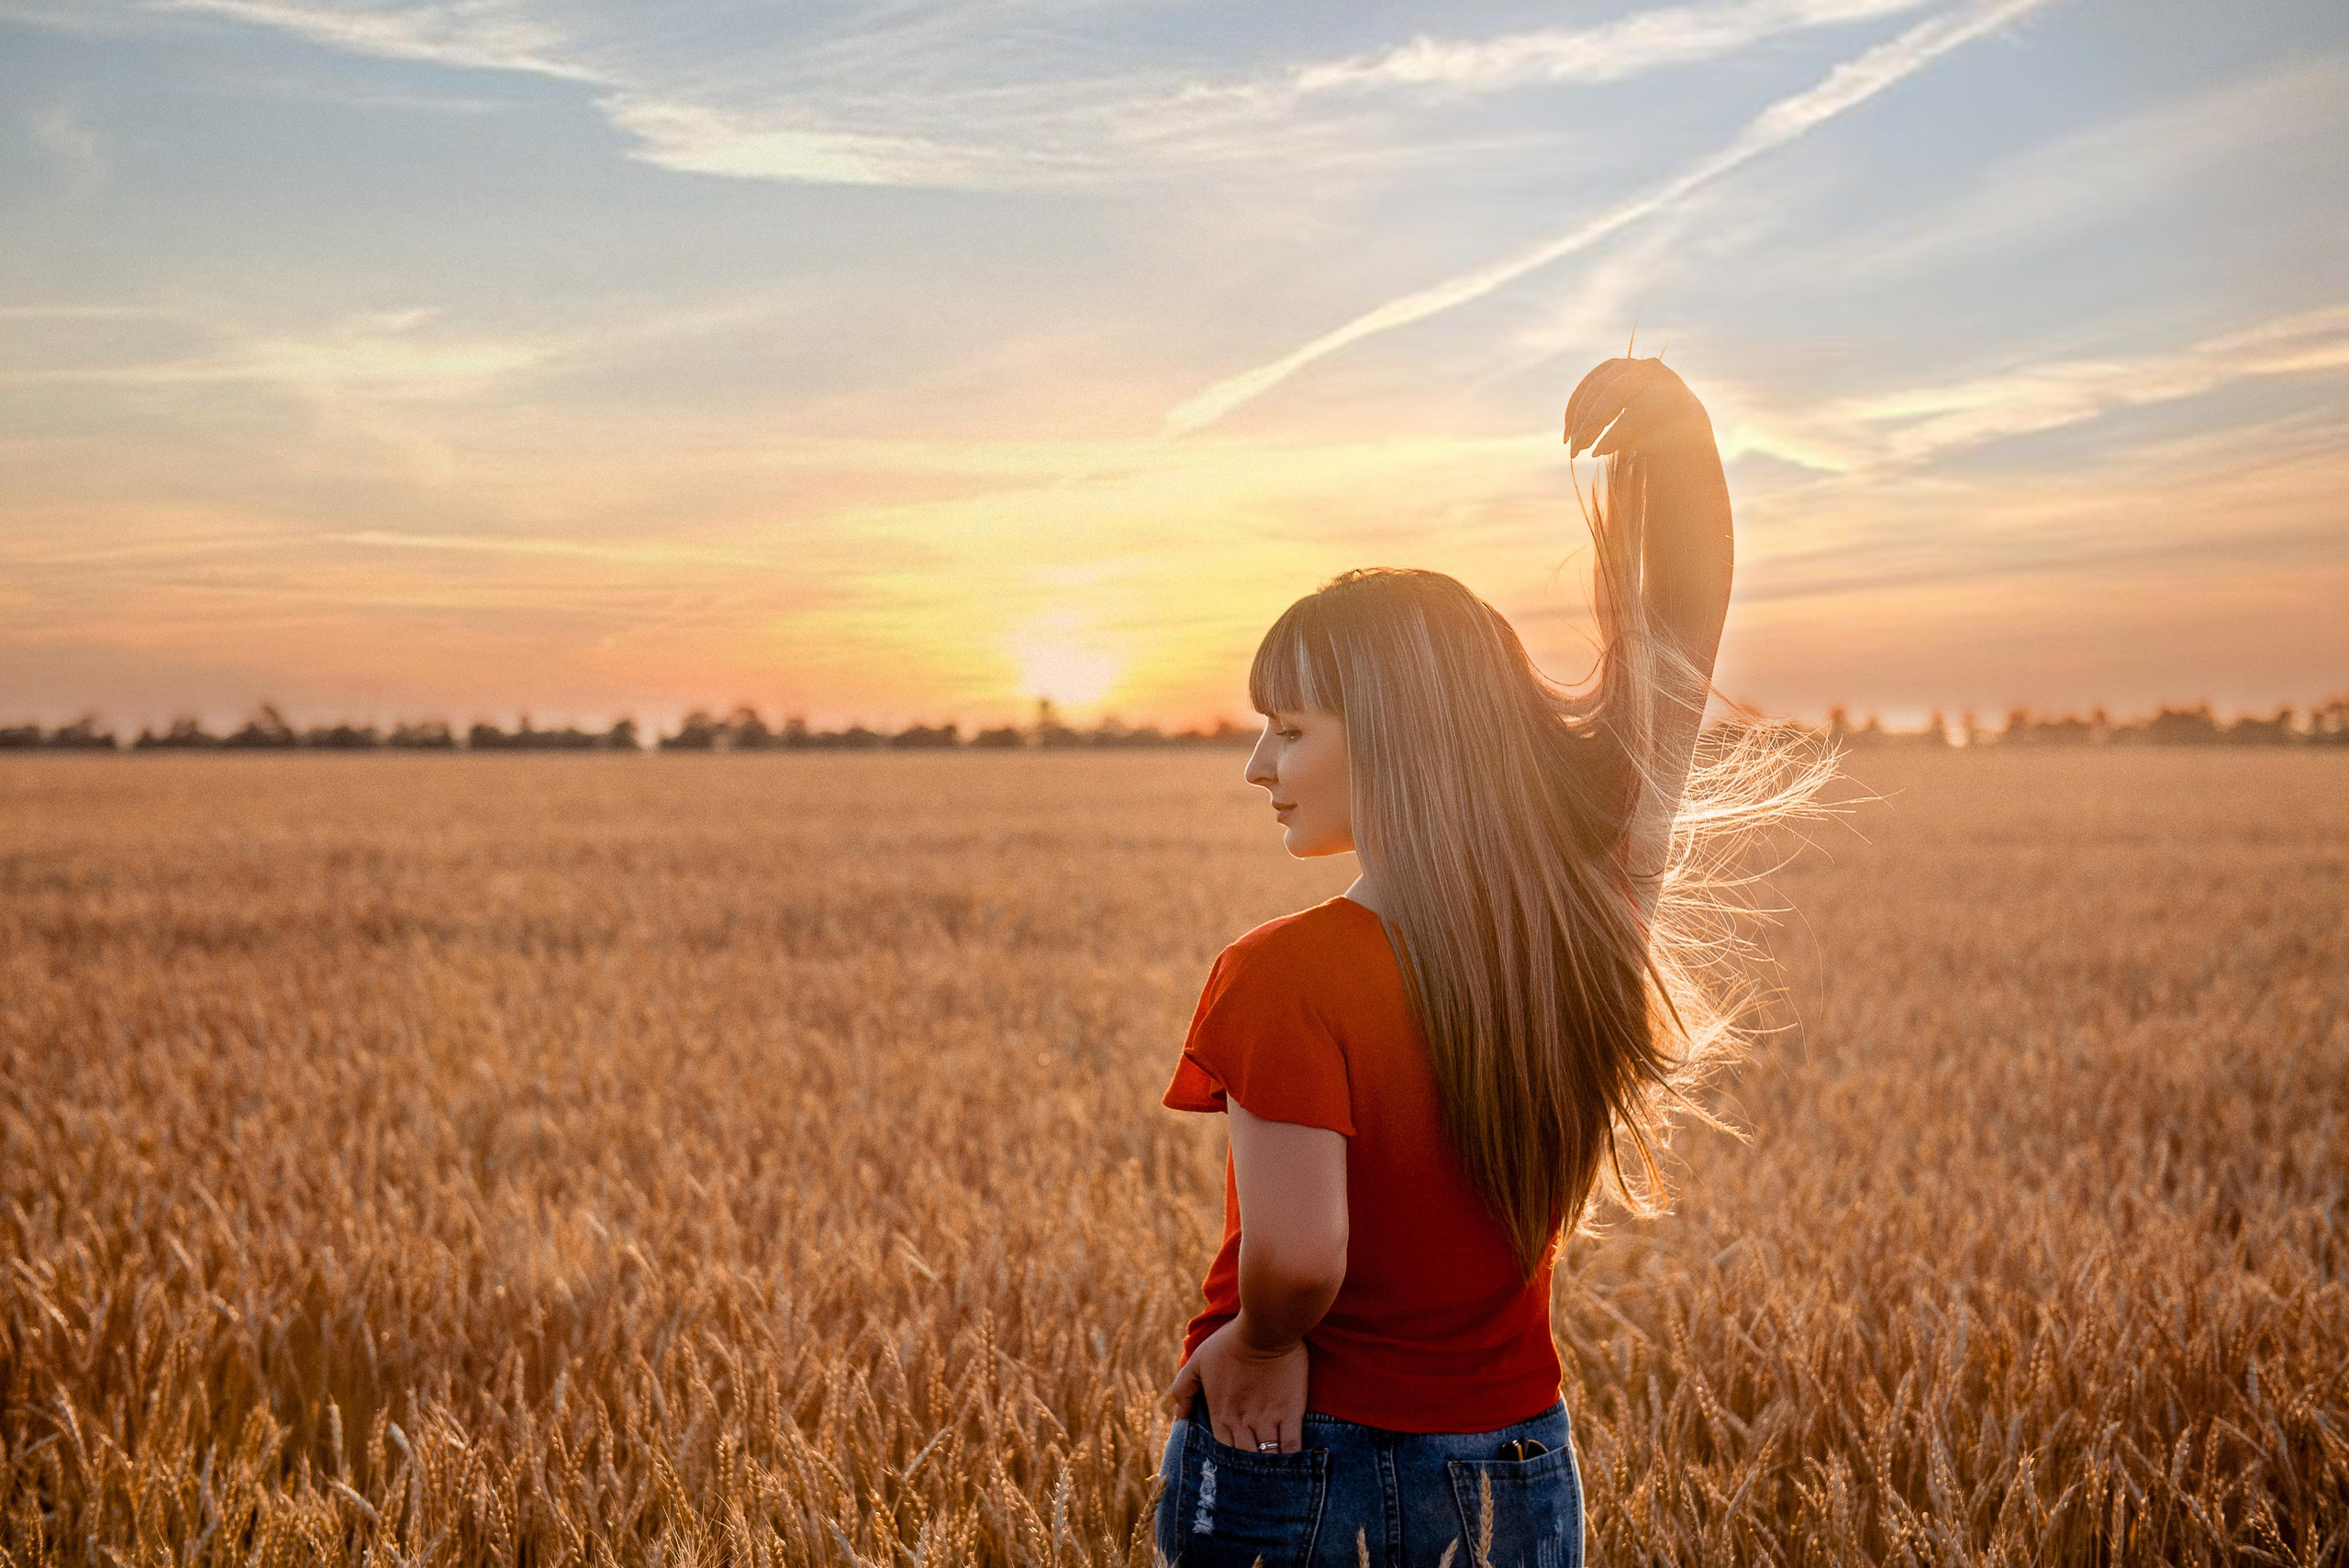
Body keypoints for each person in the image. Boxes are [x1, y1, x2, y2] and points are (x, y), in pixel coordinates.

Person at [1150, 357, 1837, 1568]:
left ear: (1397, 740)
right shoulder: (1584, 921)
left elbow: (1300, 1259)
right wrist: (1682, 457)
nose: (1259, 765)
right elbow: (1673, 663)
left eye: (1290, 729)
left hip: (1292, 1439)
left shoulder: (1281, 974)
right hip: (1517, 1457)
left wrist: (1258, 1342)